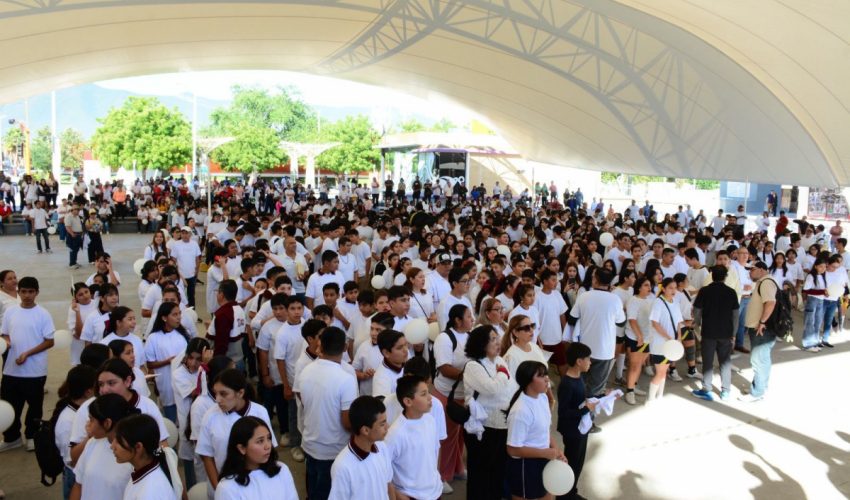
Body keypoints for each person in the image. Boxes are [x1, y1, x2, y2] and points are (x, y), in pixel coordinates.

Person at [296, 326, 358, 500]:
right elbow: (347, 422)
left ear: (320, 346)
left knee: (312, 488)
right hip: (333, 449)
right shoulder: (345, 379)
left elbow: (304, 402)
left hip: (310, 443)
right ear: (345, 347)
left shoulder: (306, 370)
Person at [197, 368, 277, 494]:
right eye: (215, 393)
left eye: (223, 394)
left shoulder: (260, 412)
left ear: (240, 393)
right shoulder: (210, 416)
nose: (217, 399)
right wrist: (219, 489)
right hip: (223, 483)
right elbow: (207, 456)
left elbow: (270, 449)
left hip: (258, 485)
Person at [0, 276, 55, 452]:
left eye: (31, 292)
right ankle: (12, 438)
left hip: (35, 371)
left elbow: (49, 341)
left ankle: (32, 436)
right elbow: (5, 334)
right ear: (18, 292)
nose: (27, 295)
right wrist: (7, 343)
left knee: (34, 407)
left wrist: (27, 353)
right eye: (23, 291)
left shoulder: (43, 314)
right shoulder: (10, 312)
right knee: (11, 406)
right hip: (11, 370)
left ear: (37, 293)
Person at [461, 325, 512, 500]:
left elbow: (508, 388)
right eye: (493, 339)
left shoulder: (500, 361)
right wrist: (503, 374)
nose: (498, 343)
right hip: (483, 428)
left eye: (498, 338)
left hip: (502, 424)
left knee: (498, 471)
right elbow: (491, 388)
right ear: (481, 343)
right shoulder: (473, 366)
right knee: (480, 473)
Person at [506, 360, 566, 500]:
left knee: (548, 494)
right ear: (528, 381)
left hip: (543, 457)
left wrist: (556, 451)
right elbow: (512, 449)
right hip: (526, 465)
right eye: (541, 376)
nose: (547, 379)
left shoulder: (543, 398)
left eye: (546, 374)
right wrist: (545, 453)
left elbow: (544, 431)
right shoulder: (521, 411)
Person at [567, 268, 626, 400]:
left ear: (595, 280)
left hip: (584, 349)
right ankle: (590, 410)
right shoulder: (615, 299)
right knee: (596, 389)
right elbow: (621, 322)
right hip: (604, 351)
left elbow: (572, 319)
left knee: (580, 382)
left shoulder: (584, 296)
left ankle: (578, 406)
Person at [432, 304, 473, 493]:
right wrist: (469, 375)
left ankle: (457, 468)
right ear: (457, 320)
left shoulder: (470, 336)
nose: (472, 319)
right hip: (447, 395)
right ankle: (441, 476)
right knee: (446, 437)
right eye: (468, 316)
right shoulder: (444, 338)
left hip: (464, 395)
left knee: (460, 436)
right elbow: (444, 368)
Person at [70, 394, 139, 500]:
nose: (88, 424)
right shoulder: (92, 442)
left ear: (107, 423)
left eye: (91, 419)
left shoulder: (132, 456)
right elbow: (78, 485)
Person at [215, 416, 298, 499]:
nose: (268, 446)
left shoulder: (281, 470)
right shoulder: (227, 488)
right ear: (242, 448)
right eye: (260, 441)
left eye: (268, 438)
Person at [328, 396, 394, 500]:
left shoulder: (382, 447)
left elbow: (388, 485)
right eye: (382, 424)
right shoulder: (342, 467)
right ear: (365, 430)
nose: (388, 427)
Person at [692, 266, 739, 402]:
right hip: (726, 332)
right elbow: (735, 315)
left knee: (707, 361)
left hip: (709, 332)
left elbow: (697, 310)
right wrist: (734, 333)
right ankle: (725, 391)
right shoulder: (731, 292)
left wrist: (697, 323)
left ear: (712, 276)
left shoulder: (704, 291)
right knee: (725, 362)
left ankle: (707, 389)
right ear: (725, 277)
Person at [111, 414, 183, 499]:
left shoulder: (150, 491)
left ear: (138, 447)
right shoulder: (144, 473)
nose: (112, 446)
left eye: (119, 442)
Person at [557, 342, 596, 500]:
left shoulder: (578, 377)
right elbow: (563, 412)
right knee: (572, 464)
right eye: (588, 359)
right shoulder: (567, 384)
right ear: (579, 361)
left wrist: (603, 397)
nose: (590, 362)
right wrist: (585, 409)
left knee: (578, 463)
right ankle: (565, 495)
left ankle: (571, 492)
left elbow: (581, 399)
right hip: (572, 431)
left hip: (581, 428)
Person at [171, 337, 211, 489]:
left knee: (204, 465)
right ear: (186, 356)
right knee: (190, 467)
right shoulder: (178, 374)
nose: (194, 363)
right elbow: (197, 392)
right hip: (187, 426)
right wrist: (205, 366)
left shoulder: (206, 369)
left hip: (204, 424)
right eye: (191, 358)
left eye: (199, 359)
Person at [54, 365, 97, 500]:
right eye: (99, 385)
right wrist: (91, 436)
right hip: (75, 475)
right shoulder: (68, 420)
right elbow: (71, 460)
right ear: (89, 392)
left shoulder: (81, 411)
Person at [145, 302, 190, 423]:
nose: (179, 317)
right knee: (171, 420)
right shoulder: (153, 338)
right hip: (166, 383)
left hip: (184, 382)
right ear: (164, 318)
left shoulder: (182, 334)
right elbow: (150, 364)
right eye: (174, 315)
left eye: (179, 313)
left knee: (185, 418)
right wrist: (168, 361)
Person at [740, 262, 778, 403]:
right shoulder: (763, 282)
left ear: (761, 270)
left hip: (762, 329)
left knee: (758, 359)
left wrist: (762, 322)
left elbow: (770, 303)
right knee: (763, 359)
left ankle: (757, 393)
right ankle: (761, 387)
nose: (749, 272)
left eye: (752, 269)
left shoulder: (766, 282)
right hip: (762, 327)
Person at [647, 278, 684, 403]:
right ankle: (651, 399)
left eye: (675, 288)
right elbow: (655, 323)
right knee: (660, 372)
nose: (674, 290)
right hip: (659, 343)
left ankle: (659, 396)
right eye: (670, 288)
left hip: (671, 344)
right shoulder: (658, 302)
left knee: (664, 372)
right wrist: (668, 337)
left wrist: (679, 338)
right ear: (663, 289)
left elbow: (678, 323)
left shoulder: (675, 302)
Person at [623, 276, 652, 405]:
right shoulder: (633, 300)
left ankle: (633, 386)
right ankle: (629, 392)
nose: (649, 288)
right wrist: (639, 336)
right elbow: (632, 319)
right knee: (634, 365)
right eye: (646, 285)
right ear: (639, 287)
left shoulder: (649, 300)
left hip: (647, 338)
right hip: (634, 337)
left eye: (649, 285)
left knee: (640, 364)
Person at [170, 227, 202, 309]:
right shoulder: (176, 244)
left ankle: (192, 312)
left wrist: (196, 272)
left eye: (186, 233)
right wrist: (177, 274)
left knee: (191, 295)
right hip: (180, 276)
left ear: (190, 234)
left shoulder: (194, 244)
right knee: (180, 295)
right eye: (183, 233)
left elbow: (197, 259)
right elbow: (173, 260)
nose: (184, 235)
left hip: (192, 275)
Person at [371, 329, 408, 399]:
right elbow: (382, 404)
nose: (406, 350)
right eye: (399, 348)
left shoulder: (406, 363)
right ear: (386, 353)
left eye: (406, 345)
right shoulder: (381, 379)